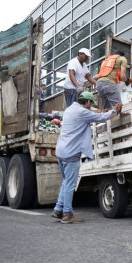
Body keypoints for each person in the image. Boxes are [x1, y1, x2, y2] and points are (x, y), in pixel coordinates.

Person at [52, 91, 122, 224]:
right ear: (88, 102)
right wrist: (115, 112)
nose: (91, 106)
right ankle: (67, 214)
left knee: (66, 181)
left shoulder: (70, 109)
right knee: (70, 184)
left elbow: (94, 111)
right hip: (71, 153)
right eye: (91, 104)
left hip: (60, 151)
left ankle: (58, 209)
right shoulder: (82, 113)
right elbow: (101, 117)